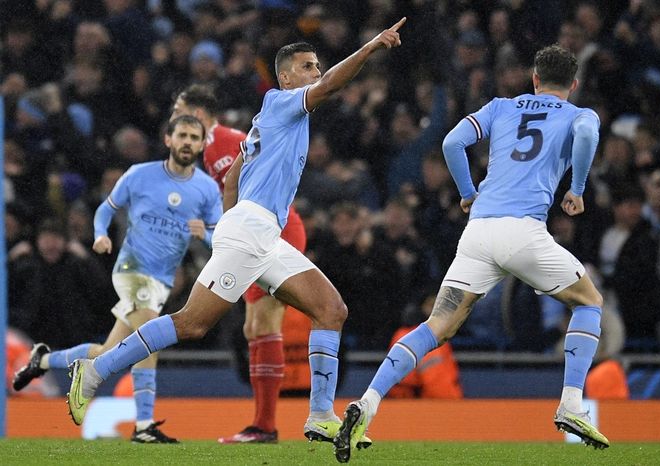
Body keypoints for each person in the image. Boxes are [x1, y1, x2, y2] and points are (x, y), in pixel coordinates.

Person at [66, 18, 407, 447]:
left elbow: (231, 181)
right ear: (286, 77)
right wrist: (371, 46)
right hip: (251, 231)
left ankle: (320, 415)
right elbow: (332, 87)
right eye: (308, 66)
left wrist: (227, 223)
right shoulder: (282, 101)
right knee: (191, 324)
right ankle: (94, 371)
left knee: (331, 310)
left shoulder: (270, 123)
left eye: (318, 65)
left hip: (259, 233)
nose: (317, 72)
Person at [333, 44, 609, 463]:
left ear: (533, 79)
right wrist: (578, 189)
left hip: (478, 232)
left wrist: (467, 193)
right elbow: (588, 136)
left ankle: (367, 404)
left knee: (435, 327)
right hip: (524, 232)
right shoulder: (579, 114)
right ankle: (572, 403)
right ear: (573, 83)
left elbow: (451, 142)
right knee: (589, 302)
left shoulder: (500, 106)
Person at [14, 115, 223, 443]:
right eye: (181, 135)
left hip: (162, 282)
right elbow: (107, 208)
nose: (187, 142)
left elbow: (219, 238)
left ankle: (43, 359)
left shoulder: (207, 189)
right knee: (150, 340)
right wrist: (100, 234)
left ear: (200, 144)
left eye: (194, 137)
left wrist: (205, 234)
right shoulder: (140, 175)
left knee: (109, 350)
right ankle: (143, 426)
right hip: (131, 270)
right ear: (168, 139)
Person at [171, 84, 310, 443]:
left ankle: (266, 426)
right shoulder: (213, 149)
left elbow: (250, 185)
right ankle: (261, 424)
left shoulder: (222, 142)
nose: (175, 119)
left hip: (271, 233)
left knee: (265, 321)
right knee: (254, 328)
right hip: (256, 233)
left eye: (179, 111)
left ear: (199, 114)